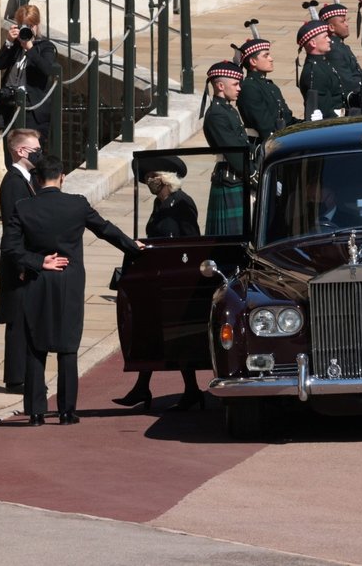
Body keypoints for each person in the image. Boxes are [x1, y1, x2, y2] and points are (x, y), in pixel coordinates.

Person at [2, 155, 143, 426]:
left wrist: (38, 261)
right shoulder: (76, 204)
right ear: (62, 177)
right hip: (69, 282)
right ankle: (67, 411)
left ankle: (36, 412)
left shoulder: (23, 207)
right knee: (68, 346)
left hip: (38, 280)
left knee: (35, 345)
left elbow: (10, 248)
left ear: (36, 179)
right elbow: (106, 230)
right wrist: (133, 247)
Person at [113, 155, 204, 412]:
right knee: (152, 331)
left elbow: (190, 240)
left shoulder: (182, 203)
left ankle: (190, 390)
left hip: (176, 276)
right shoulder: (158, 203)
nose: (148, 181)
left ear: (165, 178)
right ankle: (144, 387)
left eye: (152, 176)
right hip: (158, 275)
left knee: (177, 333)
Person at [0, 128, 43, 392]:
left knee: (26, 319)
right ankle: (16, 378)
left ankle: (24, 374)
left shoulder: (27, 179)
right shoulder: (13, 182)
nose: (39, 153)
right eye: (35, 149)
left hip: (26, 260)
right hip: (18, 263)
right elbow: (14, 226)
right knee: (17, 320)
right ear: (21, 151)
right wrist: (23, 263)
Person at [0, 4, 58, 165]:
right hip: (11, 106)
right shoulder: (14, 46)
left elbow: (47, 69)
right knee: (11, 154)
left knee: (31, 157)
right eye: (23, 25)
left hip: (32, 109)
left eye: (30, 25)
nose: (27, 29)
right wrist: (8, 41)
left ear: (37, 25)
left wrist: (30, 48)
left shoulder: (45, 47)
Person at [201, 60, 251, 237]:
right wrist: (254, 175)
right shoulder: (216, 115)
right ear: (221, 86)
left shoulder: (228, 110)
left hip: (237, 177)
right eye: (235, 84)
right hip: (230, 177)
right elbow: (234, 154)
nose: (239, 88)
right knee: (229, 236)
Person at [234, 20, 301, 149]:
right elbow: (265, 127)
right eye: (266, 56)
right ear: (253, 61)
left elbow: (287, 119)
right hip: (266, 147)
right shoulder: (249, 88)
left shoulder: (270, 86)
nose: (271, 59)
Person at [319, 0, 362, 95]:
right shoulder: (334, 50)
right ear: (331, 27)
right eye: (342, 22)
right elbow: (348, 82)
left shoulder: (341, 45)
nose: (347, 24)